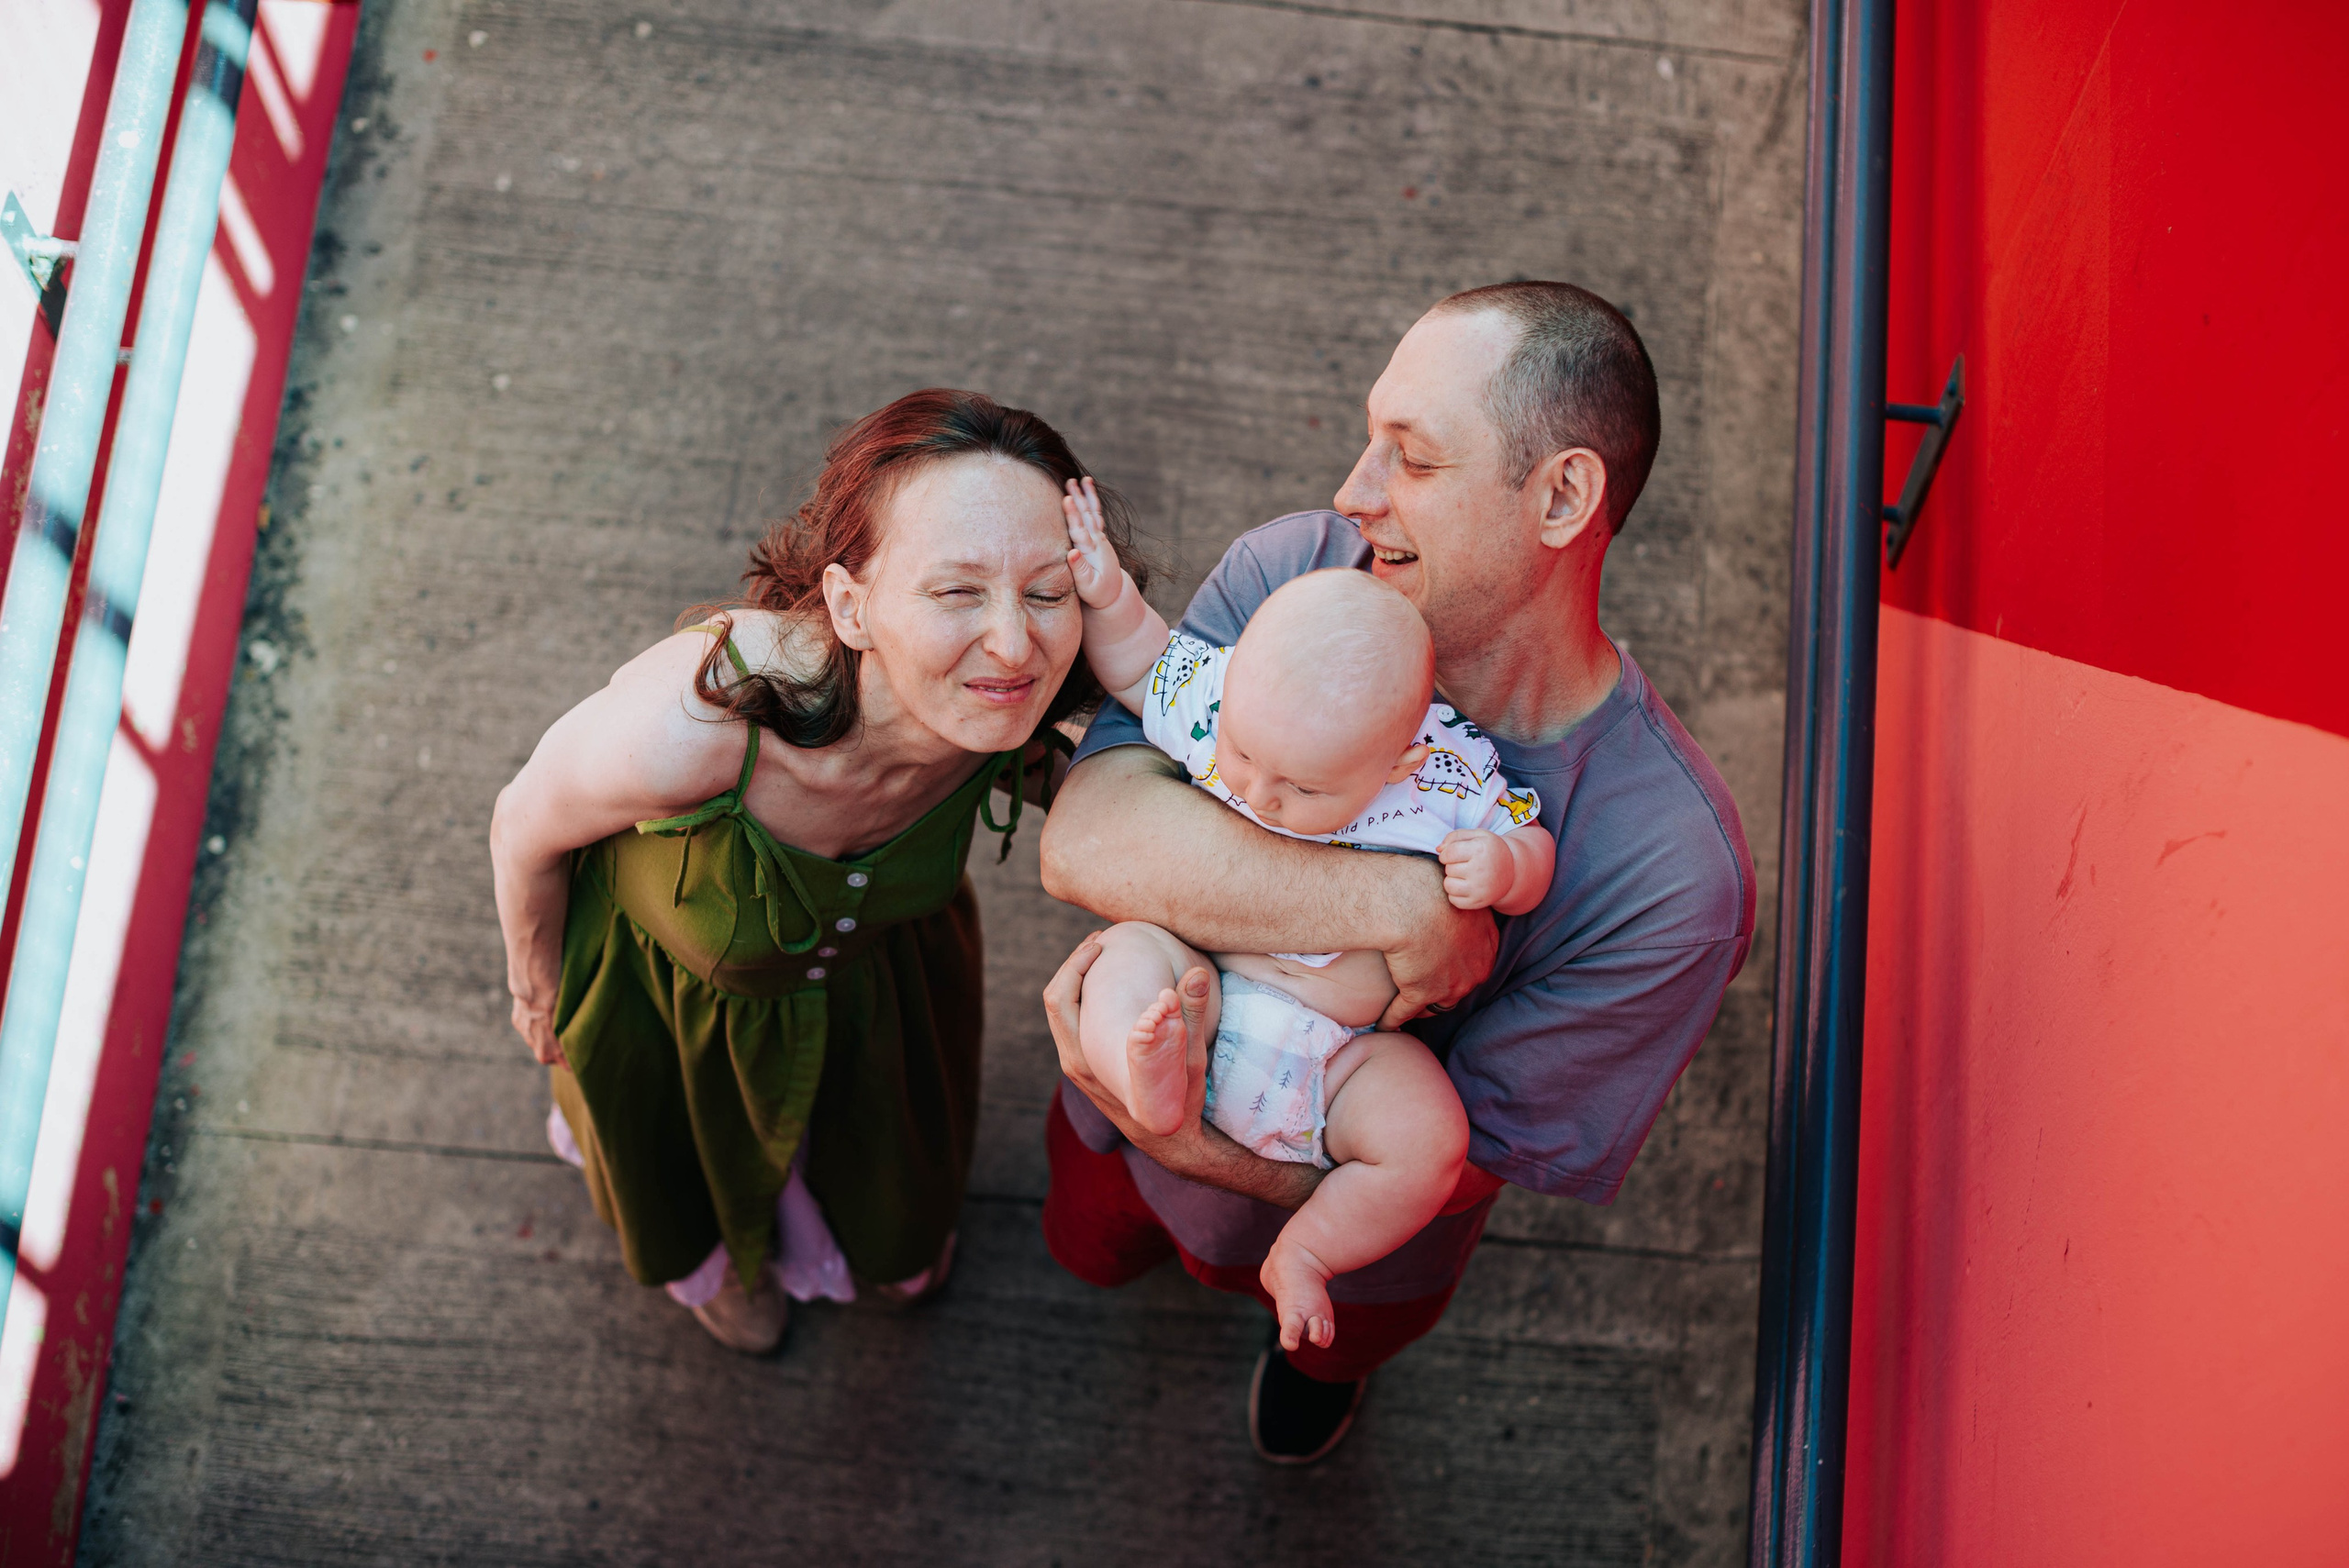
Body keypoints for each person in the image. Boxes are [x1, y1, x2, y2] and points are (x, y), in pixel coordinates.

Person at [1036, 282, 1756, 1463]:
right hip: (1109, 1104)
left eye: (1411, 459)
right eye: (1371, 440)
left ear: (1562, 494)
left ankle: (1315, 1371)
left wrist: (1198, 1148)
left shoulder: (1674, 874)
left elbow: (1463, 1166)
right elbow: (1088, 837)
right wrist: (1396, 904)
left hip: (1354, 1252)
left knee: (1328, 1342)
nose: (1352, 492)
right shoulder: (1301, 578)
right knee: (1084, 1250)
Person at [490, 388, 1144, 1353]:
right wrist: (537, 978)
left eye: (1047, 591)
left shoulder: (1020, 717)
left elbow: (1202, 794)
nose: (1014, 645)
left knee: (897, 1216)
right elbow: (523, 821)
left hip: (882, 991)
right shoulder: (702, 718)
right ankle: (723, 1265)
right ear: (851, 603)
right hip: (669, 1005)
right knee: (687, 1180)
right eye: (956, 590)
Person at [1058, 482, 1556, 1353]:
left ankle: (1308, 1252)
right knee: (1126, 958)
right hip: (1198, 987)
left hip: (1336, 1064)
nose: (1255, 789)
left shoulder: (1443, 779)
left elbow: (1530, 841)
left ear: (1402, 758)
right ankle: (1148, 1074)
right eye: (1244, 756)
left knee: (1429, 1137)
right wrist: (1106, 591)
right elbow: (1143, 663)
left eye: (1301, 787)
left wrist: (1506, 866)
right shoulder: (1227, 701)